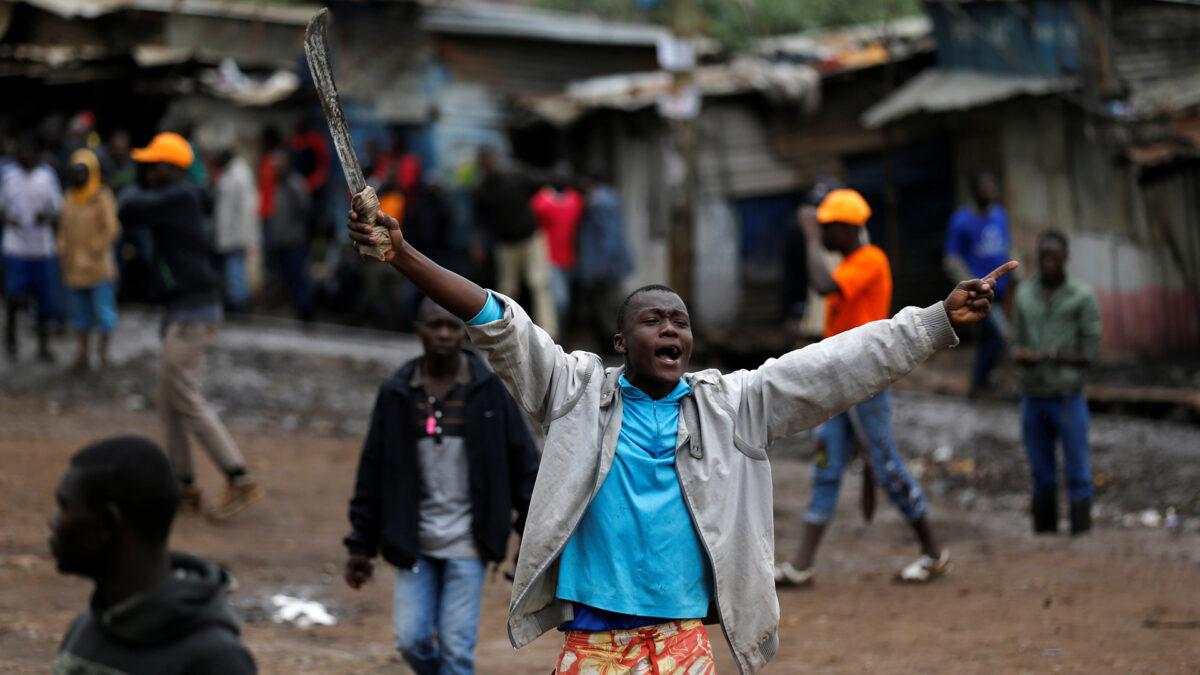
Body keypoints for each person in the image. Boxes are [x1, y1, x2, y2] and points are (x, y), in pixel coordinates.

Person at [345, 196, 1014, 673]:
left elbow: (836, 365)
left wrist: (933, 322)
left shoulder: (735, 404)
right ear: (619, 341)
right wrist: (402, 253)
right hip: (592, 641)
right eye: (654, 319)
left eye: (680, 321)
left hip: (683, 640)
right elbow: (499, 320)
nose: (671, 330)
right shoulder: (575, 389)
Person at [343, 298, 540, 675]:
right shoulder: (398, 393)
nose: (445, 334)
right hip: (413, 540)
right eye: (435, 326)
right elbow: (372, 472)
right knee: (410, 640)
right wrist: (360, 547)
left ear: (464, 332)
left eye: (453, 326)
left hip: (470, 541)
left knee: (455, 647)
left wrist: (527, 543)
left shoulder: (488, 393)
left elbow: (525, 468)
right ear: (418, 331)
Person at [777, 188, 949, 589]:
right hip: (836, 383)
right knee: (826, 466)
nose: (822, 234)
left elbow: (822, 285)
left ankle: (934, 553)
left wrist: (809, 237)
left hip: (865, 381)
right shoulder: (851, 262)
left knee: (887, 465)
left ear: (845, 228)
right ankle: (801, 565)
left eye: (826, 228)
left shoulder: (869, 260)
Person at [117, 131, 263, 520]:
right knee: (169, 400)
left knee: (185, 396)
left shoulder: (179, 195)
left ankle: (238, 476)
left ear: (172, 168)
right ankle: (184, 484)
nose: (146, 171)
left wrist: (134, 179)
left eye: (152, 165)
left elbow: (126, 208)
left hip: (193, 312)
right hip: (184, 308)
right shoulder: (181, 195)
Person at [50, 436, 257, 674]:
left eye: (64, 507)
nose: (53, 522)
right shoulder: (86, 629)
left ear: (107, 524)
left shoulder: (215, 660)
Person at [1011, 231, 1101, 535]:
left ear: (1065, 258)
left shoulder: (1082, 297)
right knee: (1041, 472)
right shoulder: (1024, 296)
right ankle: (1045, 538)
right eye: (1044, 257)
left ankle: (1081, 534)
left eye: (1055, 257)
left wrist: (1049, 356)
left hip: (1067, 396)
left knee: (1078, 471)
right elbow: (1015, 342)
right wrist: (1021, 357)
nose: (1048, 263)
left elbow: (1091, 352)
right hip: (1033, 396)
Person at [944, 171, 1018, 396]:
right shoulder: (961, 221)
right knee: (999, 336)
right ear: (975, 191)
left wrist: (1017, 270)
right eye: (985, 188)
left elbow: (1007, 246)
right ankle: (980, 382)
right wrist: (971, 284)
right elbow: (951, 260)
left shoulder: (1000, 215)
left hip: (1003, 290)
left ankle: (983, 382)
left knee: (989, 339)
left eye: (992, 188)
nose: (990, 193)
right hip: (983, 292)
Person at [472, 147, 557, 338]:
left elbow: (542, 183)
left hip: (530, 238)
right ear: (482, 166)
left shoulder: (515, 177)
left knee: (539, 283)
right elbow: (479, 222)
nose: (489, 165)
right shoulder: (482, 189)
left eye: (491, 161)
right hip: (506, 244)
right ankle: (508, 330)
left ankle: (549, 331)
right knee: (508, 289)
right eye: (485, 163)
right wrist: (478, 245)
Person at [56, 148, 121, 371]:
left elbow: (111, 229)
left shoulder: (102, 196)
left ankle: (103, 354)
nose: (79, 175)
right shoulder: (70, 198)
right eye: (76, 170)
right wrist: (62, 248)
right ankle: (82, 353)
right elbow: (63, 228)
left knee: (104, 312)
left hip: (98, 266)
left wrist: (95, 248)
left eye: (84, 170)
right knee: (80, 313)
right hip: (74, 265)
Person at [1, 136, 63, 362]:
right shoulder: (7, 175)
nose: (26, 156)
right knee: (14, 297)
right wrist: (8, 217)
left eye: (30, 152)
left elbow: (57, 206)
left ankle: (43, 347)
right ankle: (11, 342)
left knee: (44, 300)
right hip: (15, 246)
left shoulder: (47, 176)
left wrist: (45, 216)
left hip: (41, 248)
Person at [576, 169, 633, 352]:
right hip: (609, 263)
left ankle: (612, 347)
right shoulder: (611, 197)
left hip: (602, 265)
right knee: (606, 304)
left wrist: (601, 265)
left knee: (606, 306)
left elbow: (608, 235)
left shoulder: (598, 201)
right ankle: (610, 344)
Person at [529, 167, 584, 332]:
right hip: (549, 258)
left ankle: (559, 334)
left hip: (570, 258)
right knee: (559, 300)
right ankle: (552, 335)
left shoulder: (576, 200)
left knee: (564, 301)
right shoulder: (540, 201)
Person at [264, 150, 313, 321]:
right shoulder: (280, 185)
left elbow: (305, 208)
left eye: (278, 166)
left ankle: (305, 311)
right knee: (287, 278)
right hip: (282, 241)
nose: (275, 169)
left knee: (298, 277)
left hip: (294, 241)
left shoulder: (295, 183)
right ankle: (293, 308)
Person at [211, 149, 260, 311]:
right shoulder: (232, 174)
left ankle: (240, 306)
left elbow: (247, 209)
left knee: (235, 273)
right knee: (232, 272)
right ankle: (236, 302)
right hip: (229, 234)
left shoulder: (239, 175)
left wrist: (242, 236)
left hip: (235, 236)